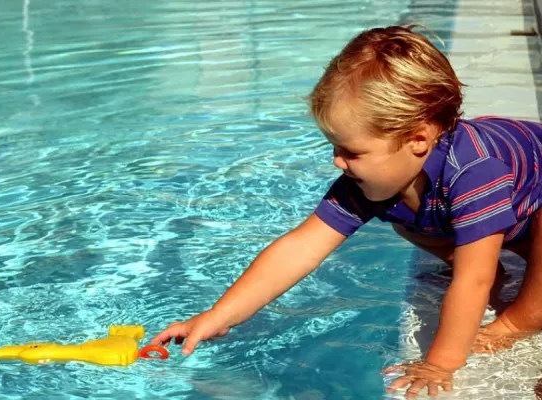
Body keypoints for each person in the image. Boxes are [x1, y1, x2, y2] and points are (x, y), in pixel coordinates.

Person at [151, 25, 542, 398]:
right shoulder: (376, 178)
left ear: (418, 139)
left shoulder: (476, 172)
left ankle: (519, 320)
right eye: (335, 147)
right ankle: (493, 254)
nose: (337, 161)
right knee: (404, 211)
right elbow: (300, 247)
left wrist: (440, 364)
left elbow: (474, 281)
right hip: (511, 203)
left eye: (351, 151)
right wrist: (217, 316)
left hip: (530, 199)